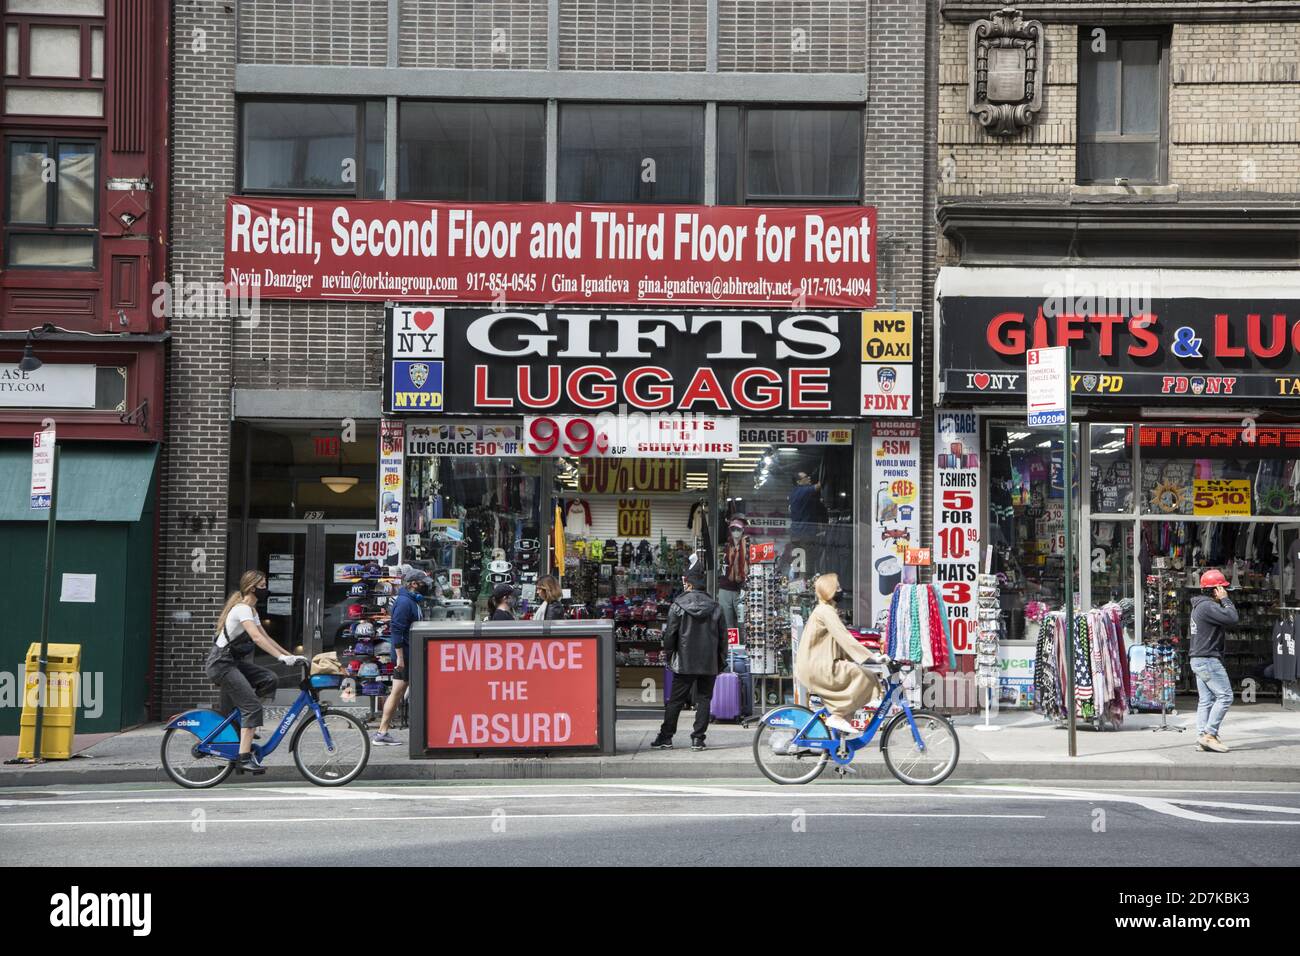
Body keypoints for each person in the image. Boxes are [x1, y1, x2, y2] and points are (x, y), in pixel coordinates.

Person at [205, 570, 304, 774]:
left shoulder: (252, 610)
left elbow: (266, 638)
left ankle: (245, 724)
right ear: (252, 588)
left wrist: (291, 656)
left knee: (269, 679)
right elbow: (257, 639)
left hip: (231, 662)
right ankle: (243, 757)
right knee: (251, 706)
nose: (266, 588)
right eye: (263, 585)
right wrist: (279, 658)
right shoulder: (242, 609)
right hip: (221, 664)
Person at [793, 572, 885, 737]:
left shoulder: (824, 610)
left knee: (863, 676)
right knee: (864, 676)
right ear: (830, 591)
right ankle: (839, 715)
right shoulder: (825, 611)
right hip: (819, 666)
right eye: (838, 588)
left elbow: (838, 641)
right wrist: (873, 657)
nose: (841, 590)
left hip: (816, 664)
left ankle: (842, 718)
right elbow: (844, 637)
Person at [651, 566, 727, 752]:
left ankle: (666, 737)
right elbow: (723, 637)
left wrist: (670, 656)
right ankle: (698, 739)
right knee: (704, 699)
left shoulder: (678, 605)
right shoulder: (716, 606)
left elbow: (670, 635)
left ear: (690, 584)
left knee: (676, 700)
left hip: (684, 660)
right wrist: (720, 660)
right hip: (709, 661)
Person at [372, 567, 429, 746]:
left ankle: (382, 732)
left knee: (398, 693)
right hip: (405, 654)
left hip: (408, 653)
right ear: (413, 584)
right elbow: (396, 630)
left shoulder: (411, 601)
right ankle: (382, 732)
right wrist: (400, 659)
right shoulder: (405, 602)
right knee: (397, 692)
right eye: (422, 584)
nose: (424, 587)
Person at [1189, 568, 1238, 753]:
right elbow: (1232, 618)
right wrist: (1225, 599)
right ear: (1215, 589)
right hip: (1208, 659)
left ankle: (1202, 737)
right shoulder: (1208, 606)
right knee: (1225, 696)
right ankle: (1210, 734)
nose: (1224, 591)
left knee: (1206, 700)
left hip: (1199, 658)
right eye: (1222, 588)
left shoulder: (1199, 606)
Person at [718, 518, 749, 631]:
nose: (735, 531)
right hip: (725, 588)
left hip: (741, 589)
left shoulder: (748, 546)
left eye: (738, 529)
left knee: (744, 622)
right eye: (733, 529)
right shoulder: (727, 546)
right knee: (727, 623)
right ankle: (731, 647)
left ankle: (746, 646)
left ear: (743, 530)